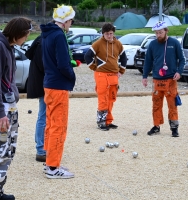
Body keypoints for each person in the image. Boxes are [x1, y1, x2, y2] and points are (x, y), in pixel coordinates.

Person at [0, 17, 32, 200]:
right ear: (18, 33)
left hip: (7, 107)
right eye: (26, 35)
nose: (26, 38)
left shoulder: (7, 47)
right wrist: (0, 113)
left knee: (7, 152)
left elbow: (7, 80)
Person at [40, 4, 76, 179]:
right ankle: (53, 167)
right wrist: (72, 76)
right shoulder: (59, 36)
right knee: (58, 126)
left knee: (50, 123)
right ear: (66, 21)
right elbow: (63, 63)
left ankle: (50, 161)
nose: (71, 24)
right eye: (71, 21)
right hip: (58, 85)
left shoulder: (47, 34)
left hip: (49, 83)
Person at [142, 21, 186, 137]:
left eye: (160, 32)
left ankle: (174, 127)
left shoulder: (174, 43)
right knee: (156, 104)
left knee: (172, 105)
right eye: (156, 33)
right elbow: (148, 61)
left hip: (171, 80)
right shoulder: (152, 44)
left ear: (166, 31)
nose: (158, 35)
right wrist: (145, 76)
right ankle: (156, 126)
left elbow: (182, 59)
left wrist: (179, 72)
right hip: (157, 80)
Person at [84, 23, 127, 131]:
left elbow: (124, 58)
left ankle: (108, 121)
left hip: (114, 75)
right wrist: (93, 67)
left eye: (111, 33)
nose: (109, 36)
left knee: (111, 98)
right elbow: (87, 56)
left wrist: (121, 71)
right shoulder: (97, 43)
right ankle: (101, 122)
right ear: (103, 34)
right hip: (101, 75)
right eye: (107, 34)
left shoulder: (118, 44)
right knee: (103, 98)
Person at [25, 35, 46, 162]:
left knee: (44, 115)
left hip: (43, 83)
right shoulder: (42, 43)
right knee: (43, 116)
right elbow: (44, 66)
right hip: (44, 84)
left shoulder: (40, 41)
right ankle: (40, 149)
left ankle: (43, 146)